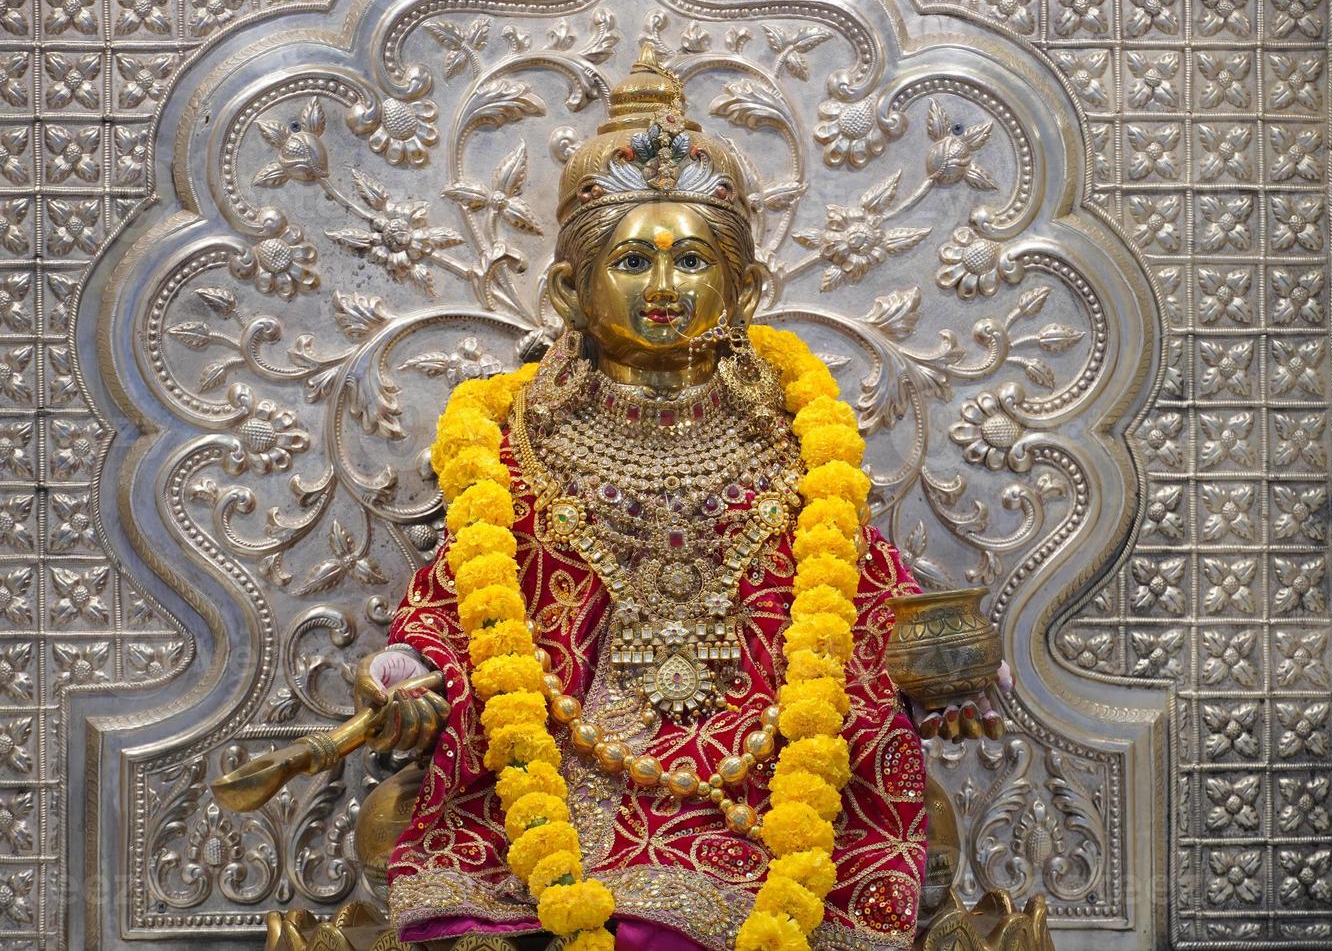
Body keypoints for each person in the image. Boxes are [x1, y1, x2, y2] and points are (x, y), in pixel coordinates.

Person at [353, 47, 1006, 951]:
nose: (665, 289)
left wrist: (948, 669)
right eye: (630, 261)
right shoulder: (518, 437)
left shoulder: (792, 434)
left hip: (768, 771)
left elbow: (854, 588)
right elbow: (469, 597)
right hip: (563, 770)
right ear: (569, 290)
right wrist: (402, 673)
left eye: (693, 259)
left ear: (744, 287)